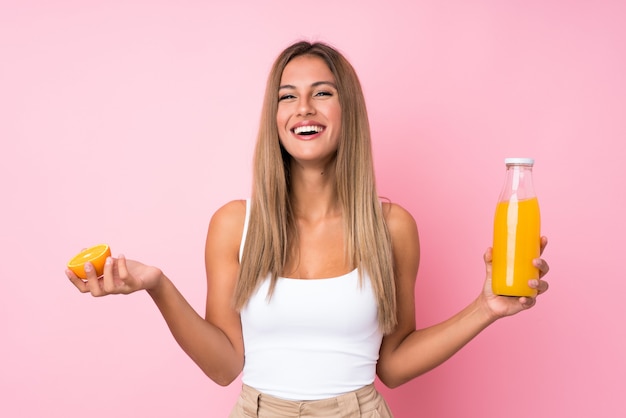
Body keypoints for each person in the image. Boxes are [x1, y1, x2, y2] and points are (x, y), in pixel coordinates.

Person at [67, 41, 550, 417]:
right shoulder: (235, 225)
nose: (303, 108)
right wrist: (158, 286)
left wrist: (485, 309)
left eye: (322, 92)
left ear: (348, 111)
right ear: (275, 118)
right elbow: (225, 367)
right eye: (287, 96)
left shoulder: (393, 227)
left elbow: (394, 364)